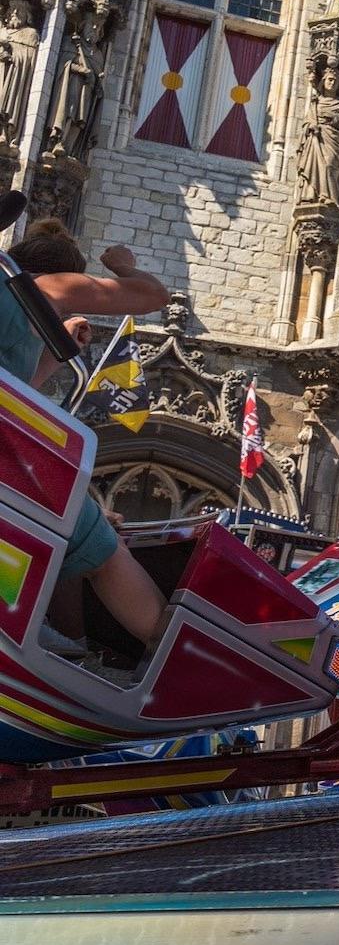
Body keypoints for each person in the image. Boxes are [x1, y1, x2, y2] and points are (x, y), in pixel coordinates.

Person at [5, 220, 170, 651]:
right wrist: (125, 266)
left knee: (65, 526)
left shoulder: (16, 310)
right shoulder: (44, 287)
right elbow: (153, 297)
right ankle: (168, 657)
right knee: (106, 550)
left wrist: (60, 353)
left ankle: (40, 626)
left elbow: (17, 393)